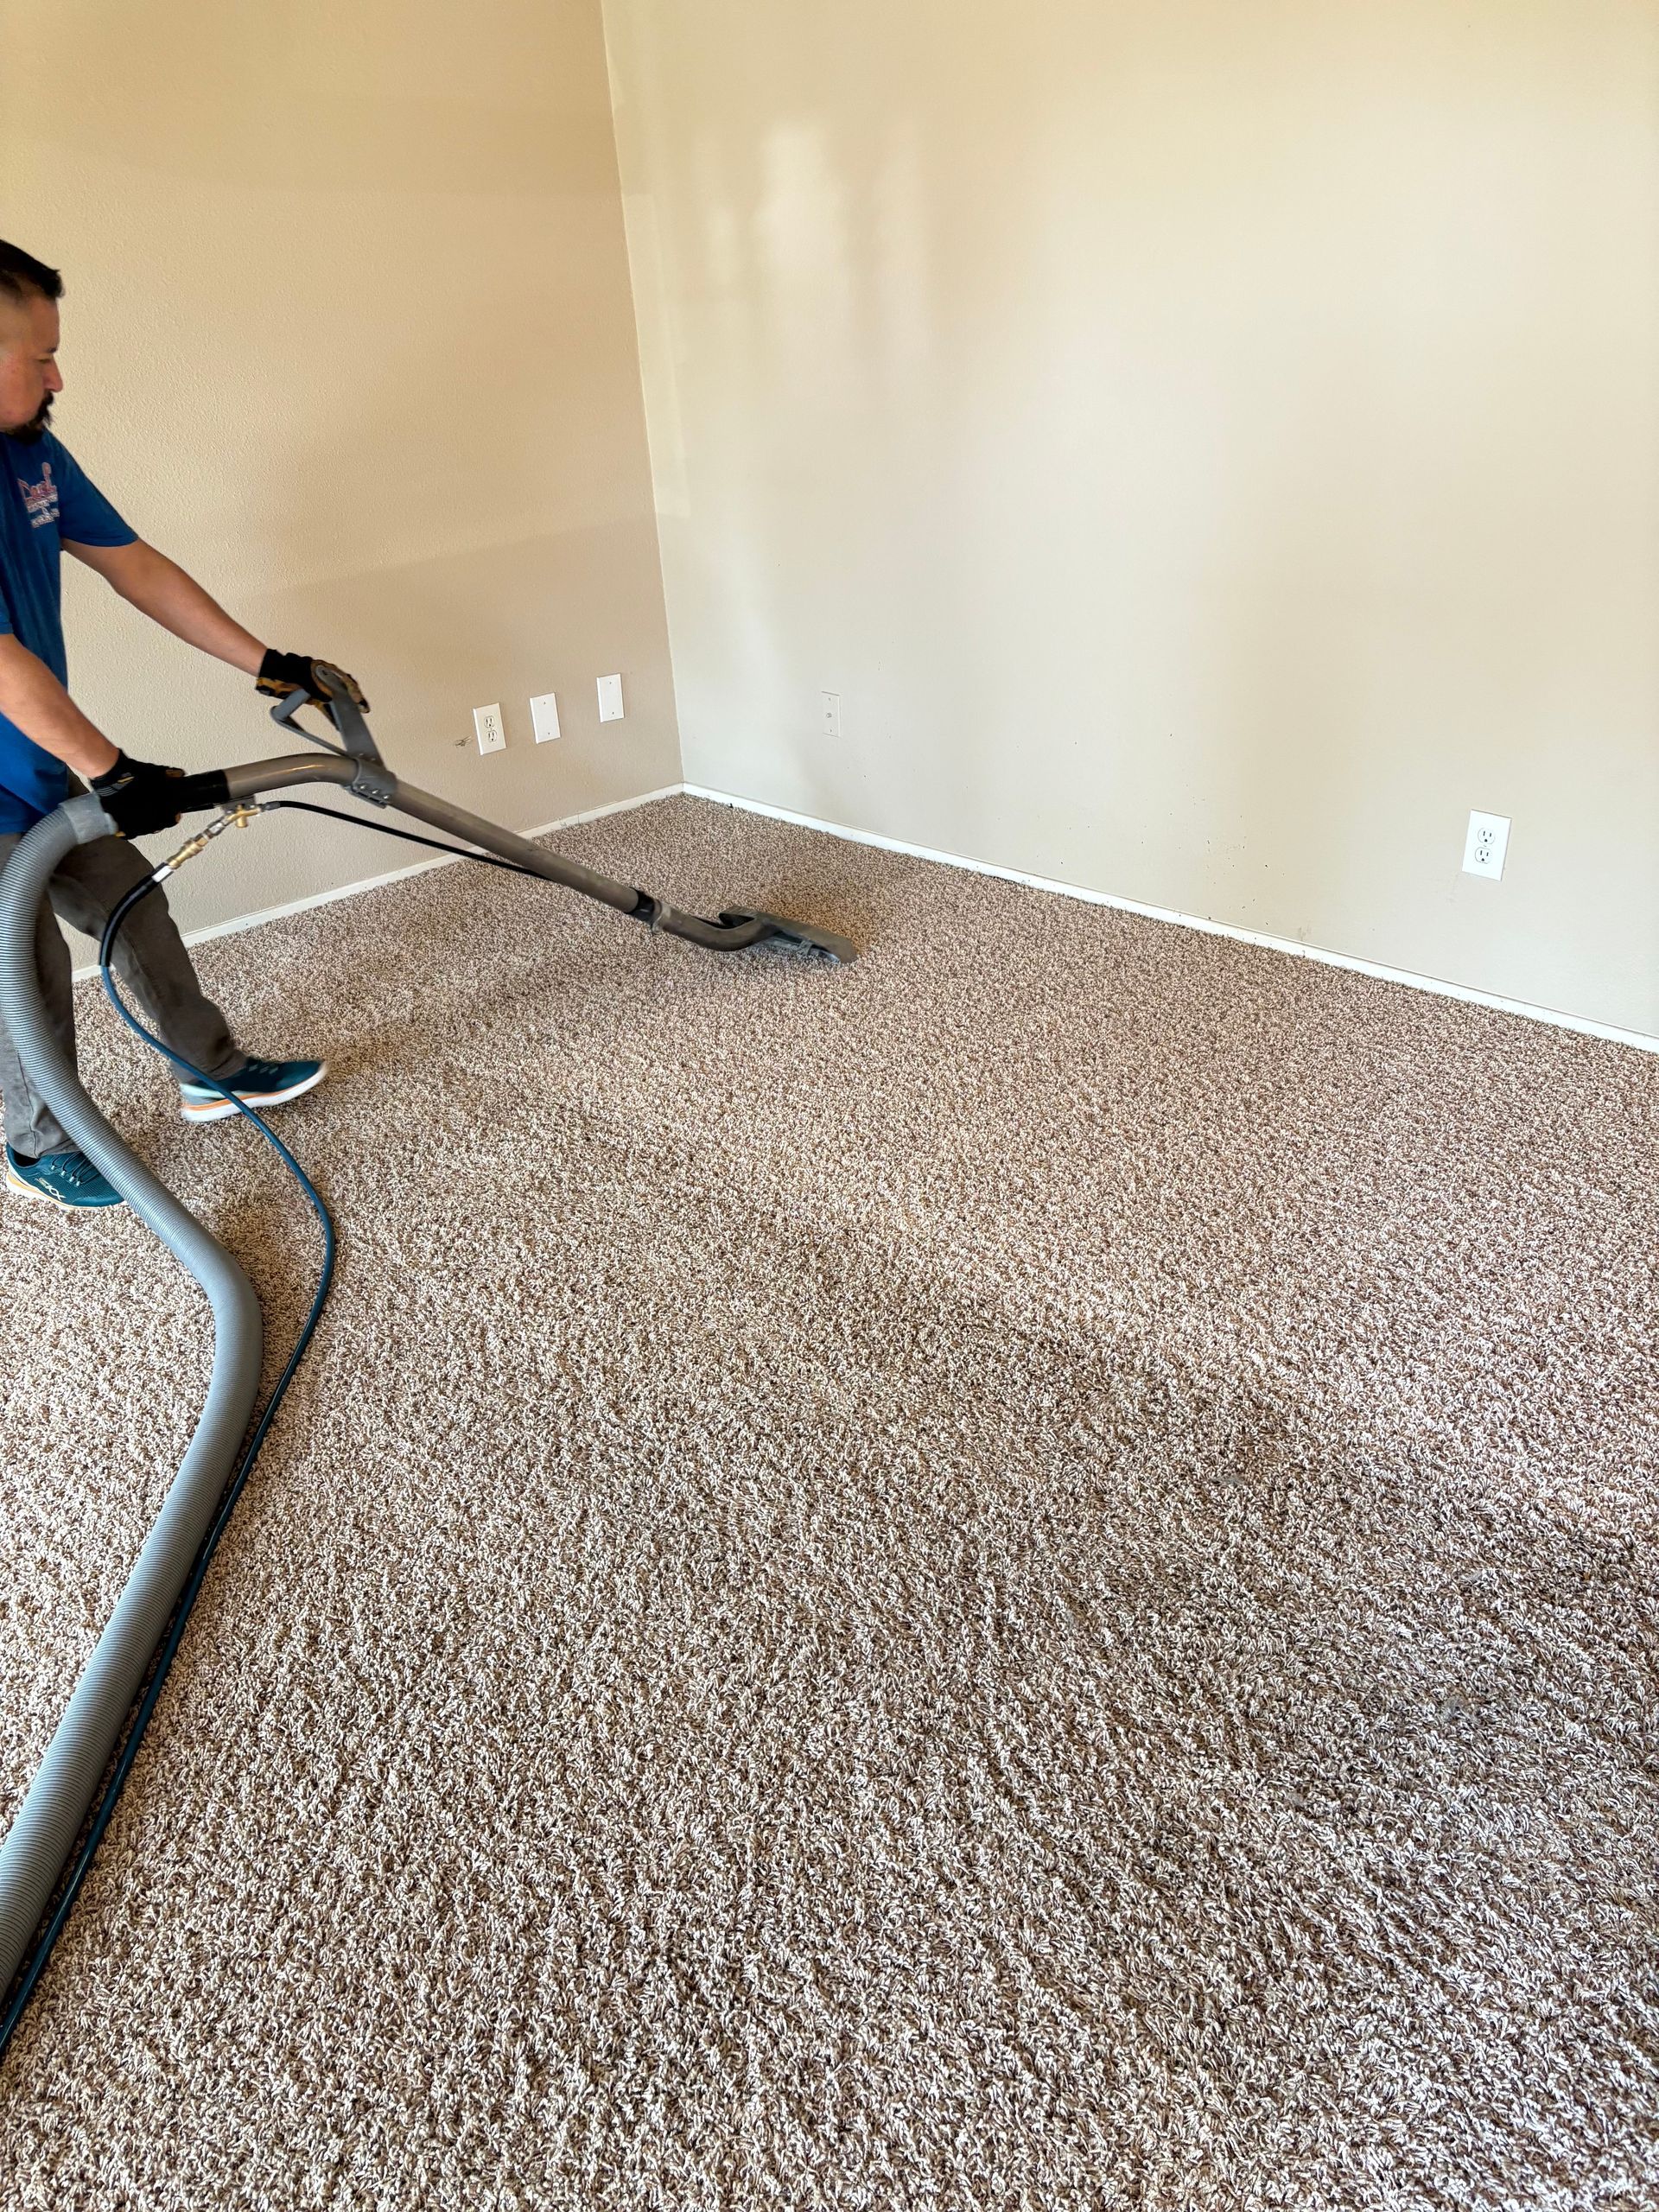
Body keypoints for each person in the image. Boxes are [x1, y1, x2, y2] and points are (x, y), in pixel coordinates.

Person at [0, 238, 365, 1211]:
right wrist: (112, 769)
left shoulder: (30, 453)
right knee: (20, 960)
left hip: (32, 763)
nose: (58, 375)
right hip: (28, 760)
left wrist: (268, 662)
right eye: (39, 358)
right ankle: (39, 1144)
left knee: (129, 902)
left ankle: (208, 1069)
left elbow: (135, 564)